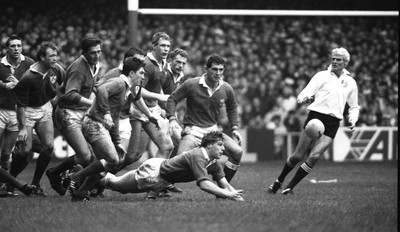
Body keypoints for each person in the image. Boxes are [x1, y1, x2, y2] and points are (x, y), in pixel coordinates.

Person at [267, 47, 360, 195]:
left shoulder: (350, 82)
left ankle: (290, 187)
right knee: (298, 156)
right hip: (316, 117)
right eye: (333, 58)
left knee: (315, 156)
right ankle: (279, 180)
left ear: (346, 62)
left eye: (339, 59)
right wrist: (303, 98)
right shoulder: (321, 76)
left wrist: (353, 119)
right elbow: (303, 93)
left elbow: (354, 106)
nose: (335, 61)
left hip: (333, 122)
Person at [68, 56, 158, 201]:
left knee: (107, 163)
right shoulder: (119, 83)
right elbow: (102, 89)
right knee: (113, 160)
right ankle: (76, 176)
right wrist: (106, 113)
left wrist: (116, 141)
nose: (143, 76)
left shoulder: (128, 89)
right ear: (131, 74)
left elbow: (115, 118)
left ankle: (80, 193)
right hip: (94, 123)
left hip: (99, 124)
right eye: (141, 73)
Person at [166, 54, 243, 184]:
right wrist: (172, 119)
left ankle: (223, 188)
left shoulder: (226, 88)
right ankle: (160, 186)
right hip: (192, 131)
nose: (218, 73)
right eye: (214, 69)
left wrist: (235, 128)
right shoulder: (192, 84)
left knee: (237, 152)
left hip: (213, 132)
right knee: (178, 163)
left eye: (221, 70)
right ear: (206, 69)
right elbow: (172, 99)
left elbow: (232, 107)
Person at [101, 131, 244, 201]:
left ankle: (94, 176)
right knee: (116, 185)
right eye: (219, 145)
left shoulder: (213, 162)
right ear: (209, 145)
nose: (223, 149)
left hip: (162, 175)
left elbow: (225, 184)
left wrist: (237, 197)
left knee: (116, 183)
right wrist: (228, 194)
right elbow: (204, 185)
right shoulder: (199, 156)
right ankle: (90, 176)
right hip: (154, 174)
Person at [45, 33, 101, 196]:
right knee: (85, 156)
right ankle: (59, 174)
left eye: (99, 51)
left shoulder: (95, 64)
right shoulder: (78, 68)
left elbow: (91, 85)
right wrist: (93, 103)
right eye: (93, 52)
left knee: (94, 153)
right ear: (84, 53)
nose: (97, 55)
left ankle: (84, 183)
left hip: (80, 112)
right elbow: (70, 94)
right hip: (67, 113)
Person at [9, 41, 65, 196]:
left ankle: (36, 185)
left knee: (48, 147)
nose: (55, 58)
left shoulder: (57, 69)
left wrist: (57, 97)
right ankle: (9, 183)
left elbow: (66, 85)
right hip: (27, 111)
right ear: (41, 57)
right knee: (25, 150)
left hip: (45, 108)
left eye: (56, 55)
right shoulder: (29, 77)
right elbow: (20, 106)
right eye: (51, 55)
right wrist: (21, 129)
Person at [0, 35, 35, 194]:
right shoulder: (1, 64)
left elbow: (35, 85)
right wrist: (4, 85)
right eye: (13, 46)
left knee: (6, 153)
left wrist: (18, 85)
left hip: (17, 112)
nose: (16, 48)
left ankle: (4, 183)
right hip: (1, 110)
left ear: (22, 48)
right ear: (7, 48)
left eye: (18, 46)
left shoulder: (29, 63)